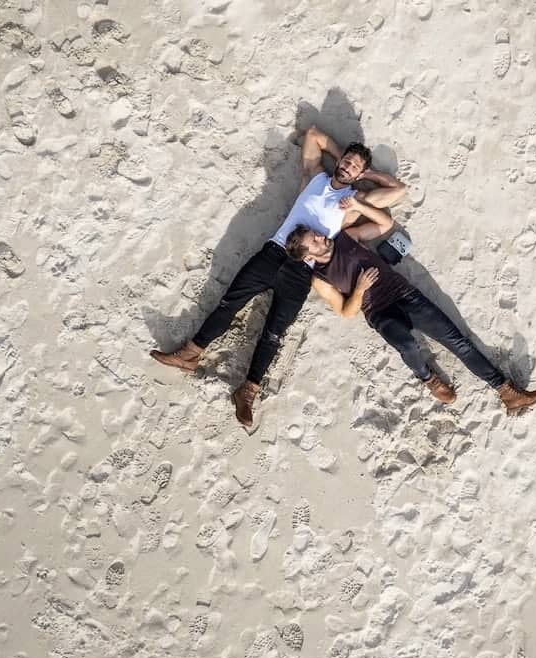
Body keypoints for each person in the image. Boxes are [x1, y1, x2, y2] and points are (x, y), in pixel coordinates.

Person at [150, 126, 407, 433]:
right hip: (274, 252)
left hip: (303, 272)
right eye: (347, 161)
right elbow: (313, 136)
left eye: (354, 167)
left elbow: (398, 191)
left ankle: (247, 392)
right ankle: (190, 354)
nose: (347, 167)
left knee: (273, 333)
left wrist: (367, 177)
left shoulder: (353, 200)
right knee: (229, 303)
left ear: (360, 174)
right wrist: (343, 158)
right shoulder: (315, 177)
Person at [285, 226, 536, 416]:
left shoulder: (344, 236)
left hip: (406, 294)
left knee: (458, 342)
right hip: (379, 312)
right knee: (408, 346)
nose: (321, 237)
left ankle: (506, 392)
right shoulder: (320, 278)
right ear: (309, 257)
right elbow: (346, 311)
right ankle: (428, 378)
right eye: (315, 242)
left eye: (316, 234)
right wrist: (361, 288)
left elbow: (383, 224)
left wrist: (354, 204)